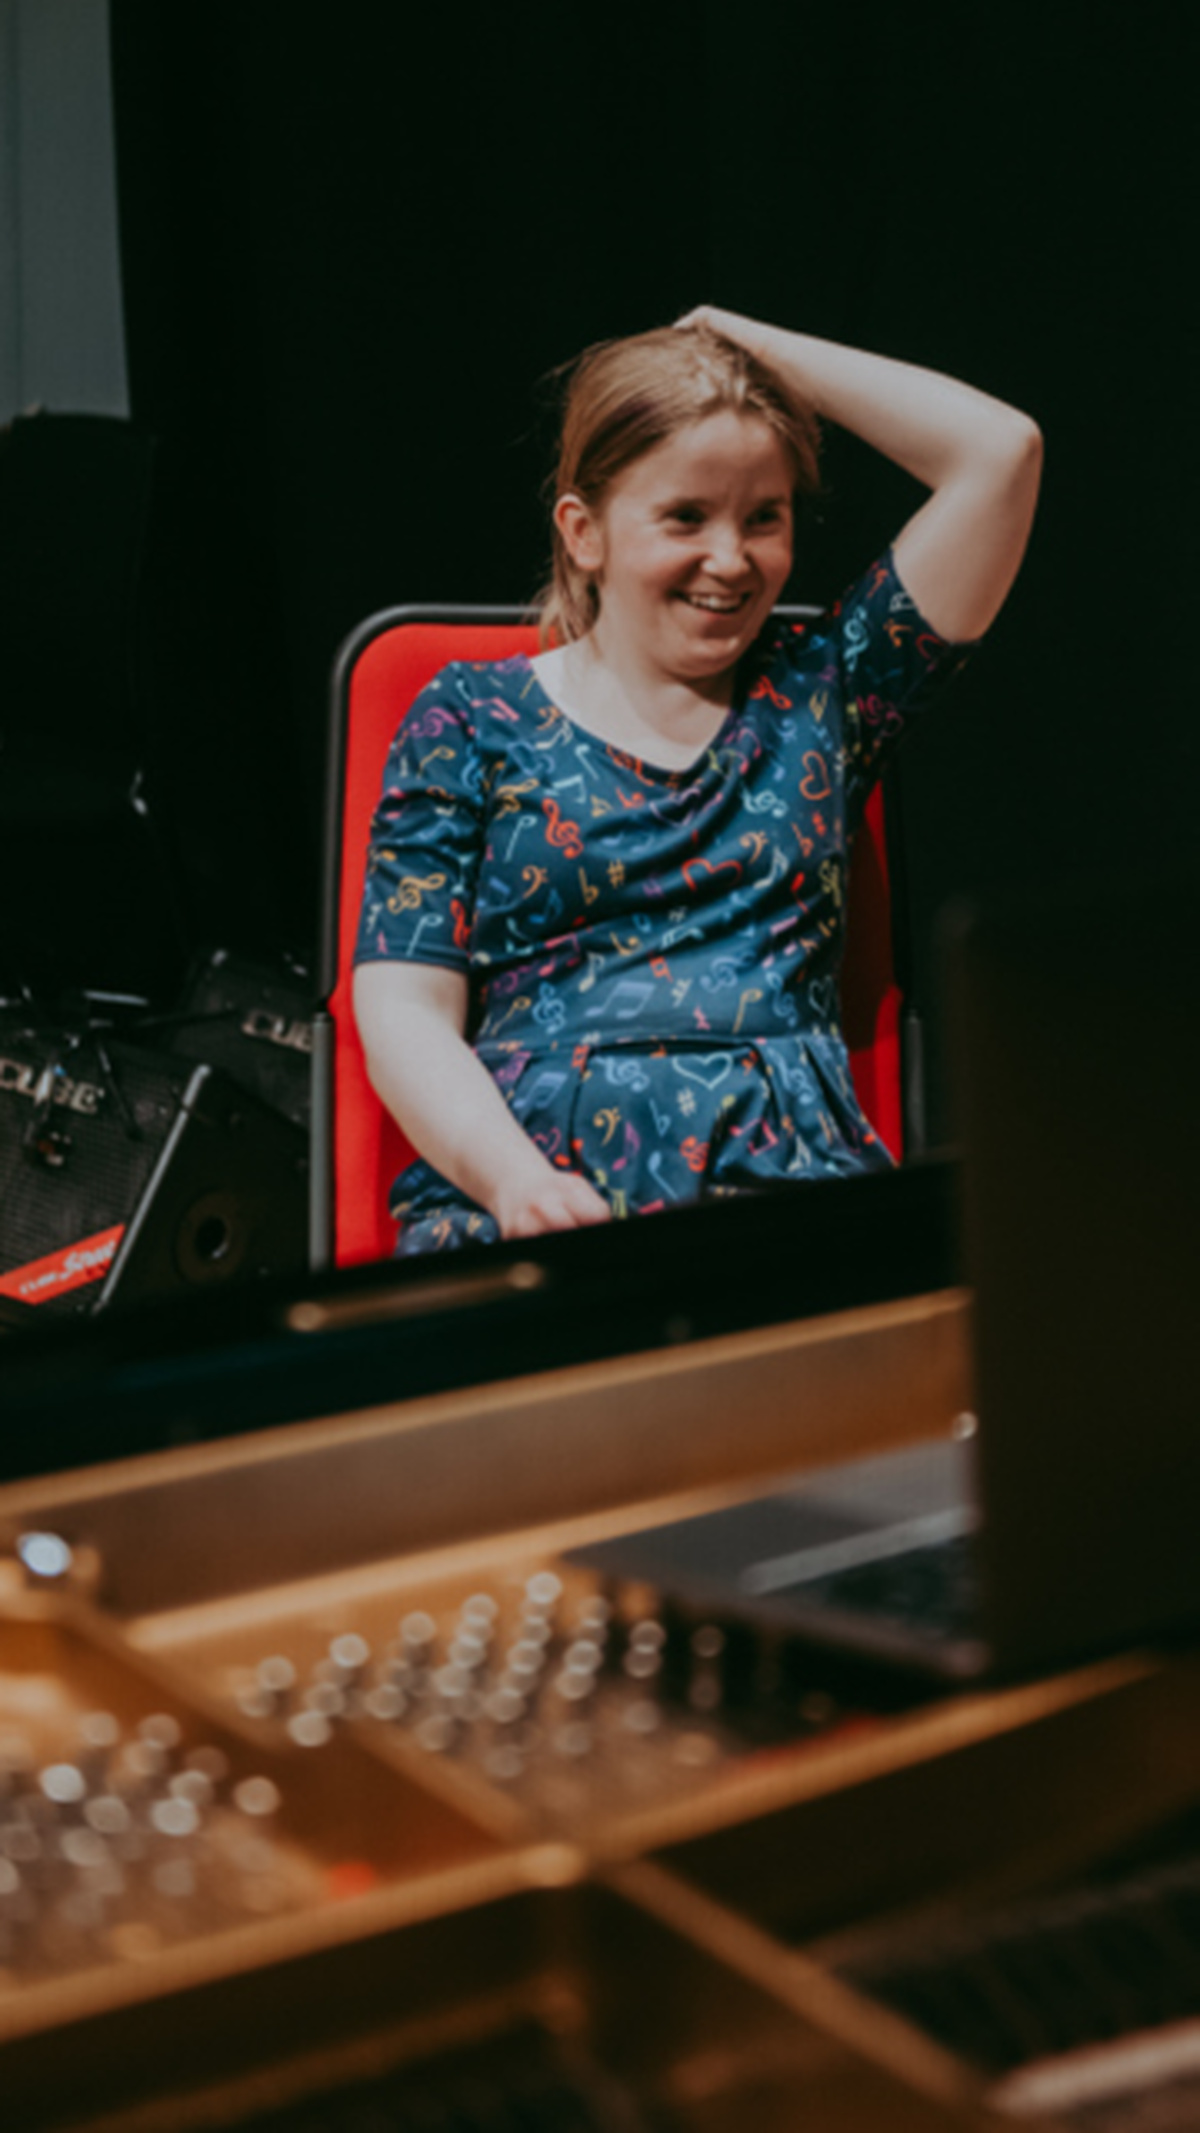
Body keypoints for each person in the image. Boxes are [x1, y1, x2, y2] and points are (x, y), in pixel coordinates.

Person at [353, 308, 1041, 1253]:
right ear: (584, 533)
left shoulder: (827, 691)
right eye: (686, 516)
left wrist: (744, 345)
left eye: (765, 517)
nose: (732, 559)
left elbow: (1001, 453)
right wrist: (515, 1183)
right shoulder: (469, 718)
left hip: (792, 1196)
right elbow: (402, 1005)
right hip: (531, 1196)